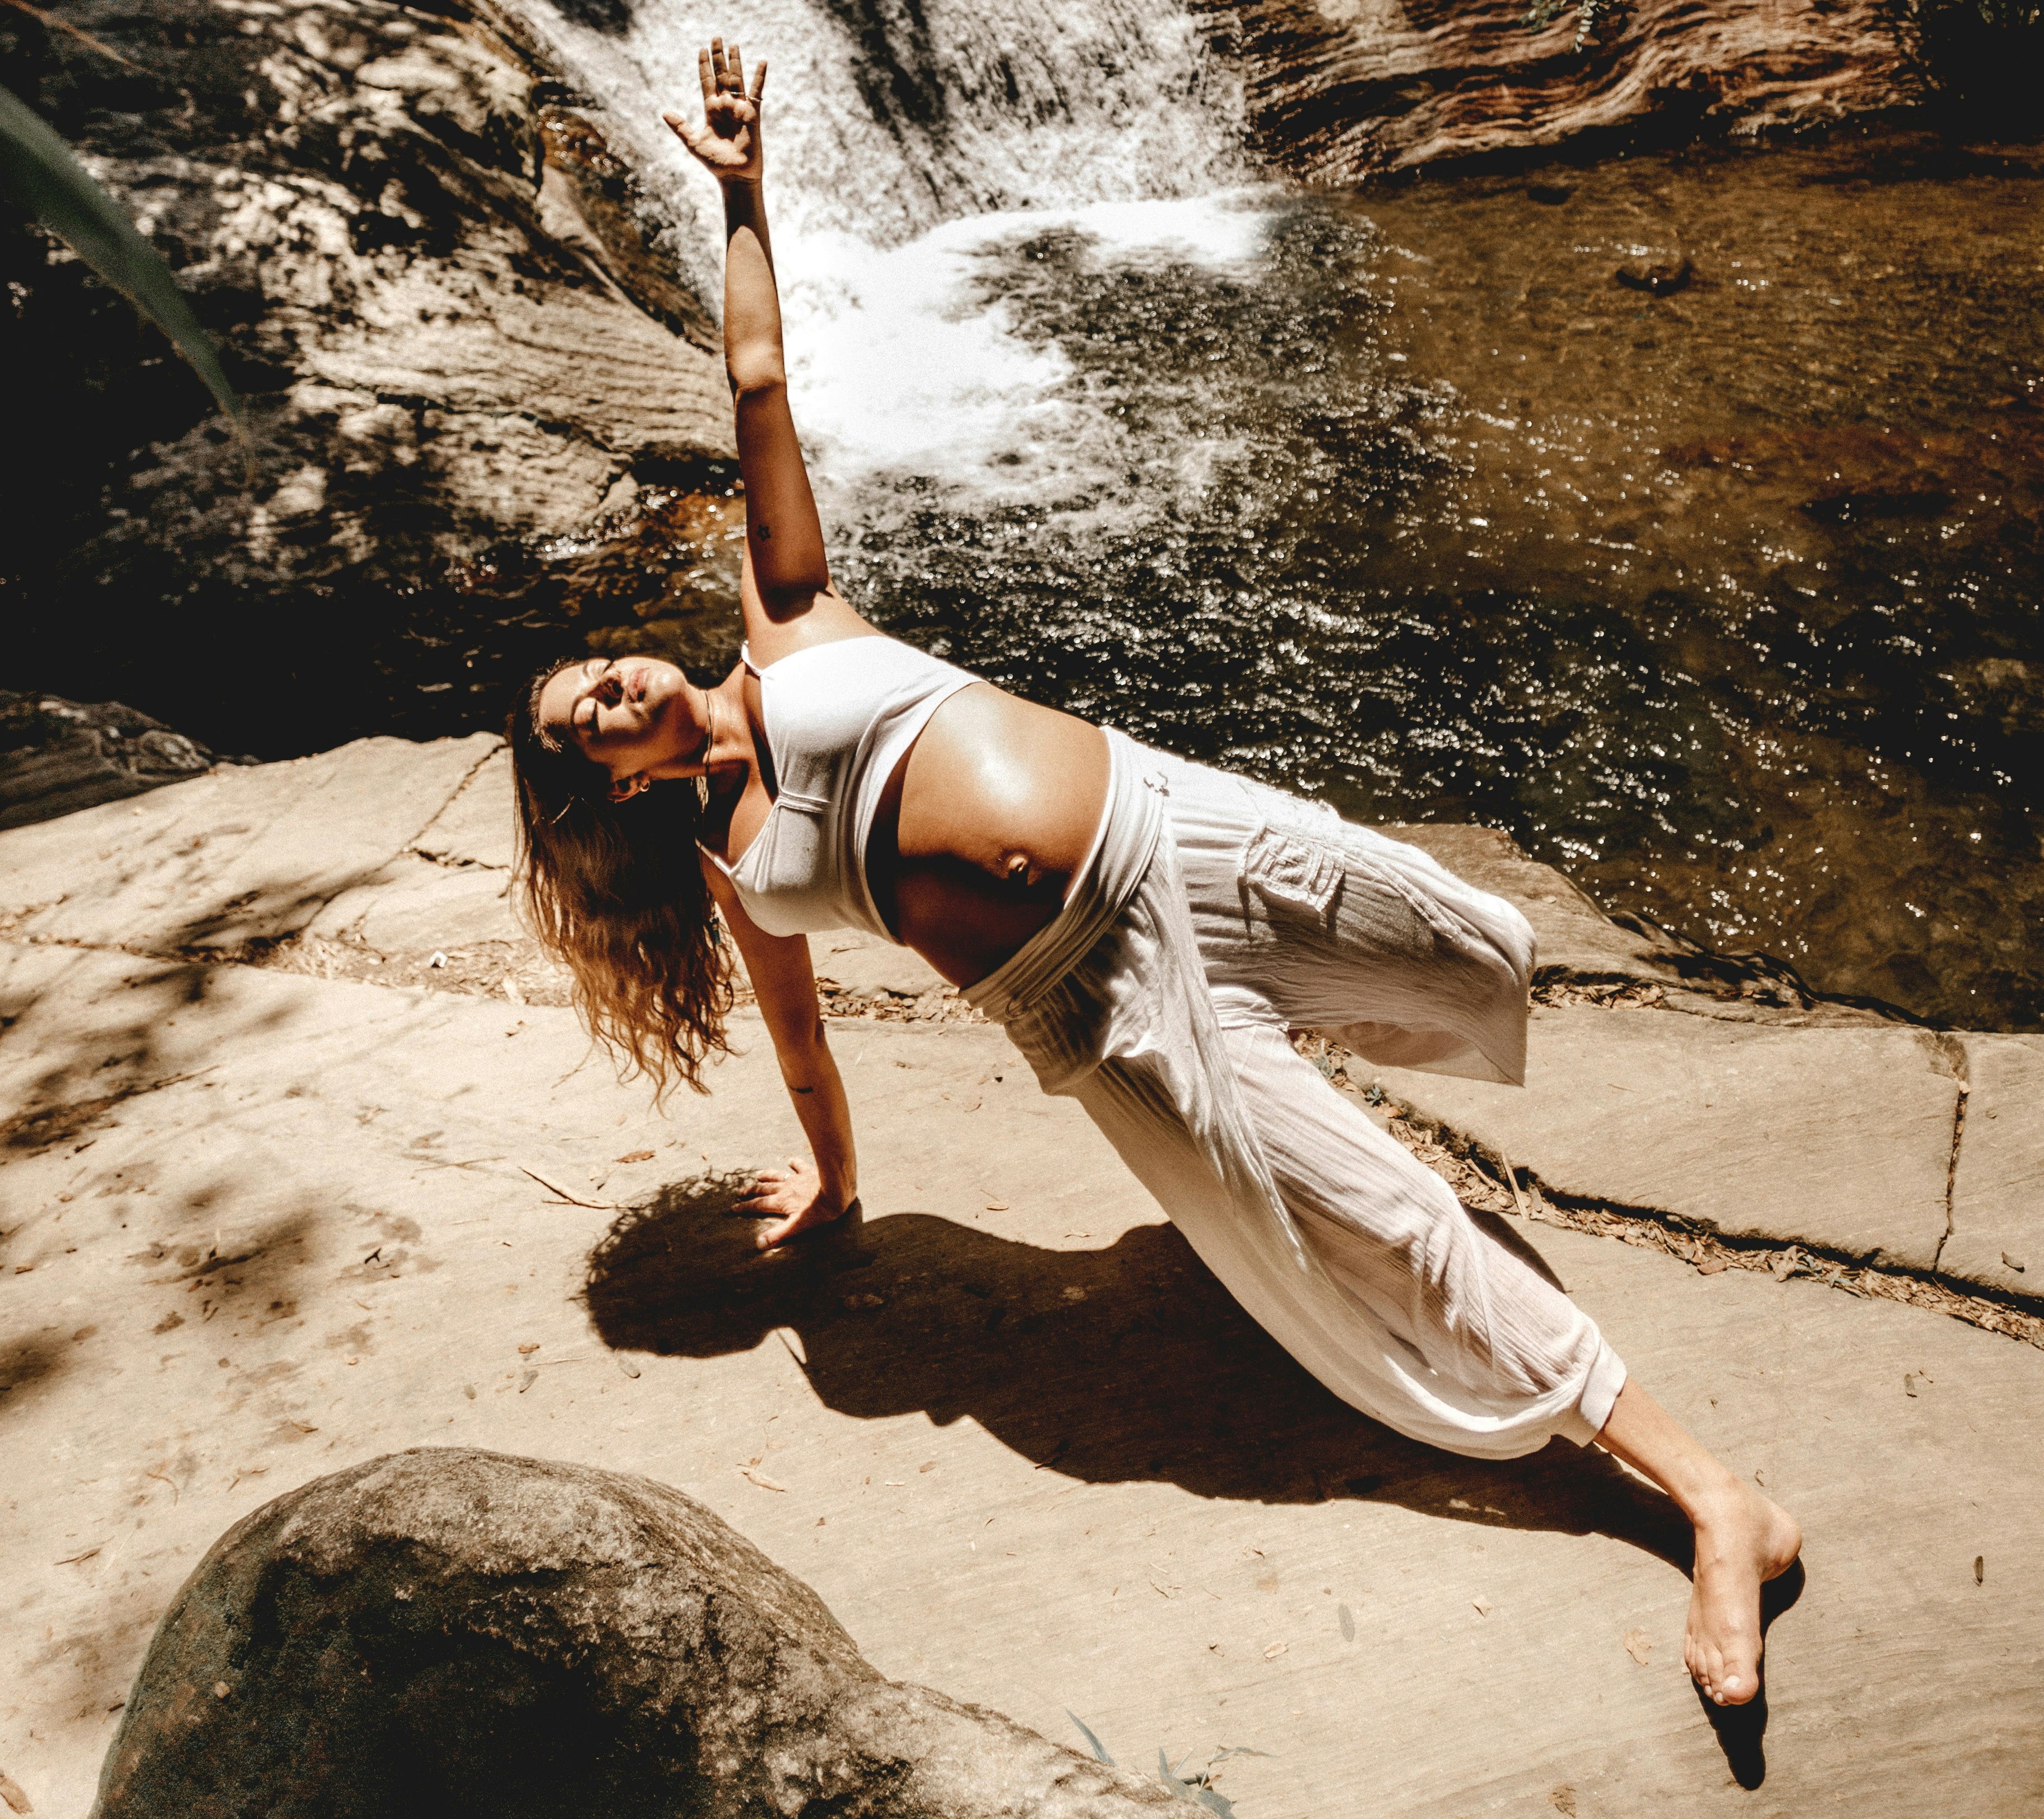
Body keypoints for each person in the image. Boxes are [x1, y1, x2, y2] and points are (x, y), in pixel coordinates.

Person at [506, 37, 1801, 1709]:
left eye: (598, 669)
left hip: (1172, 827)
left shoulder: (787, 617)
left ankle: (1309, 1109)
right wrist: (832, 1185)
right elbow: (804, 1037)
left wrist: (742, 193)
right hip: (1103, 1004)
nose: (613, 688)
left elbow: (758, 388)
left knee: (1460, 944)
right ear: (609, 782)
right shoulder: (737, 869)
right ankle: (1714, 1497)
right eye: (586, 719)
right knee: (1378, 1225)